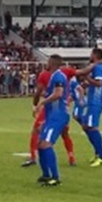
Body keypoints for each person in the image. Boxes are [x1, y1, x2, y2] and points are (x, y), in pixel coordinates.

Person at [32, 54, 70, 187]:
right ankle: (46, 174)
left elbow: (58, 93)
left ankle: (55, 177)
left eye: (48, 61)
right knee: (40, 144)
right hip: (51, 116)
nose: (46, 63)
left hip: (58, 116)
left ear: (52, 63)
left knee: (46, 144)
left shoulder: (58, 76)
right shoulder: (54, 76)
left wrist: (42, 103)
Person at [76, 48, 102, 167]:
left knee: (92, 127)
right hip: (93, 101)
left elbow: (99, 83)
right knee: (85, 126)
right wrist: (87, 83)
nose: (89, 55)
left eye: (91, 54)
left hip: (96, 101)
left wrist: (87, 79)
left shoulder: (98, 67)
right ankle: (97, 153)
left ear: (95, 55)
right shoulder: (98, 67)